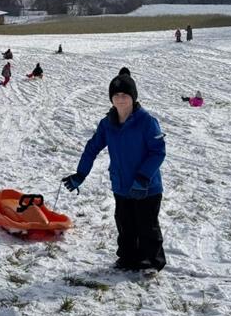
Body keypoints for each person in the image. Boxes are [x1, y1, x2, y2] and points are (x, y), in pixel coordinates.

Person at [61, 69, 167, 272]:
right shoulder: (107, 124)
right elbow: (91, 148)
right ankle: (128, 258)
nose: (120, 99)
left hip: (146, 187)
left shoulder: (147, 122)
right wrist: (81, 174)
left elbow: (158, 152)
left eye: (125, 95)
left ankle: (151, 262)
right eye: (116, 95)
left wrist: (143, 177)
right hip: (121, 184)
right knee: (125, 224)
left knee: (147, 225)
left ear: (133, 97)